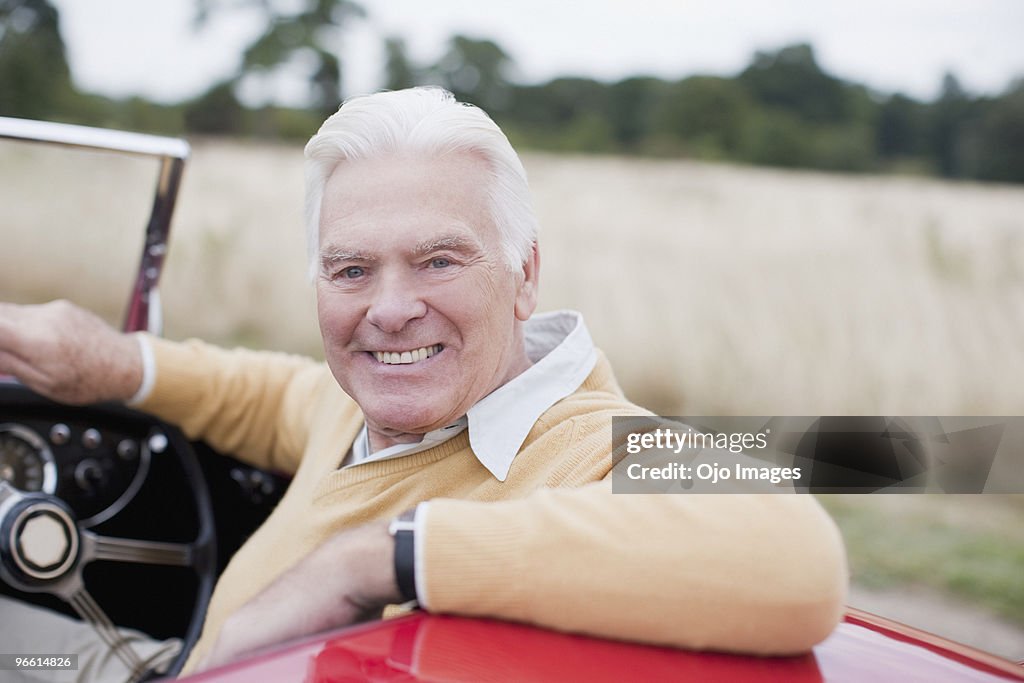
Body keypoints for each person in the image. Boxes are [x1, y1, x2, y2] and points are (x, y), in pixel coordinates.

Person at [0, 87, 847, 680]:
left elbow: (796, 554)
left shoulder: (591, 441)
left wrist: (375, 559)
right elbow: (256, 393)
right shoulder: (354, 403)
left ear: (525, 276)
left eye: (438, 260)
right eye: (352, 269)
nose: (391, 310)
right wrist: (112, 362)